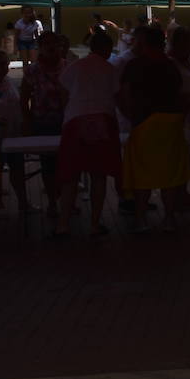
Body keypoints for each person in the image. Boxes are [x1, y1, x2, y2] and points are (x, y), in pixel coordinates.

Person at [55, 30, 123, 237]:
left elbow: (62, 92)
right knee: (99, 175)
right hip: (103, 121)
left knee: (70, 176)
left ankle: (63, 224)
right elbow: (117, 95)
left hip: (75, 120)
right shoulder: (110, 69)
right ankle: (94, 223)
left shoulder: (74, 67)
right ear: (108, 49)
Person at [119, 49, 188, 232]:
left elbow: (124, 92)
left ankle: (141, 219)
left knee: (142, 173)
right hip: (170, 121)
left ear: (143, 43)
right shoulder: (171, 65)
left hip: (145, 122)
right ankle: (169, 218)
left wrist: (130, 115)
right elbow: (181, 91)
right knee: (170, 173)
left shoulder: (135, 65)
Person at [19, 32, 70, 217]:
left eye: (54, 44)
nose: (50, 47)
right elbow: (24, 98)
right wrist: (26, 121)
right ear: (40, 46)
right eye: (46, 44)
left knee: (67, 164)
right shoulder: (32, 70)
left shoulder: (68, 67)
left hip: (66, 121)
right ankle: (52, 202)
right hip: (43, 121)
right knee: (48, 164)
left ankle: (66, 201)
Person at [0, 48, 32, 214]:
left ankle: (23, 203)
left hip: (13, 132)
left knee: (17, 169)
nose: (5, 67)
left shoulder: (8, 81)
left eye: (7, 64)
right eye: (1, 64)